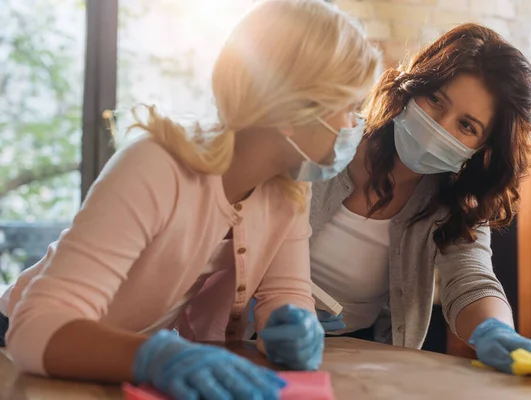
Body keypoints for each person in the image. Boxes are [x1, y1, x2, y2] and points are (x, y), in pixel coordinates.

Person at [0, 1, 381, 399]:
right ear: (291, 110)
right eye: (350, 108)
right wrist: (155, 356)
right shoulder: (155, 165)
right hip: (27, 349)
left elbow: (285, 292)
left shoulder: (287, 188)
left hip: (114, 364)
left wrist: (293, 325)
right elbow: (35, 328)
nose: (355, 127)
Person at [310, 23, 531, 376]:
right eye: (435, 100)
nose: (439, 127)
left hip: (351, 359)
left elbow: (471, 278)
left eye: (467, 126)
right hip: (243, 337)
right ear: (414, 87)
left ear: (483, 149)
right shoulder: (325, 143)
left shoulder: (457, 203)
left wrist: (496, 331)